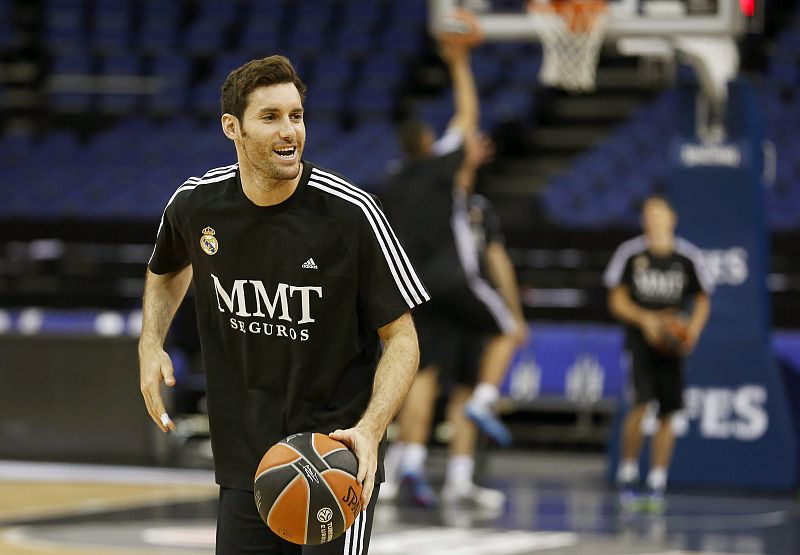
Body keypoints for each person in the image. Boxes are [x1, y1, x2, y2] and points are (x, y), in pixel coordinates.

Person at [138, 55, 424, 555]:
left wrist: (371, 430)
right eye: (270, 117)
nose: (289, 130)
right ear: (233, 128)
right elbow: (166, 270)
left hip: (335, 458)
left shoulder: (351, 213)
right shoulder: (196, 204)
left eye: (296, 115)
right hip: (246, 461)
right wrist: (151, 342)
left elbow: (402, 339)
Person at [381, 36, 526, 508]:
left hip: (412, 289)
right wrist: (459, 63)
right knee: (511, 331)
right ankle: (486, 401)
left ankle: (412, 469)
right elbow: (467, 120)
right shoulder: (443, 176)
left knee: (420, 378)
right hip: (453, 281)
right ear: (429, 145)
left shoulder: (390, 186)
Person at [603, 195, 713, 513]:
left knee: (668, 410)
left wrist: (691, 331)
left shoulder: (687, 256)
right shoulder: (631, 254)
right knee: (640, 403)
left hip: (671, 344)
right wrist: (646, 319)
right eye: (648, 213)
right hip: (639, 341)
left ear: (672, 217)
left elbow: (704, 298)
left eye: (659, 213)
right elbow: (616, 300)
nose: (653, 219)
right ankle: (627, 471)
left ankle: (658, 479)